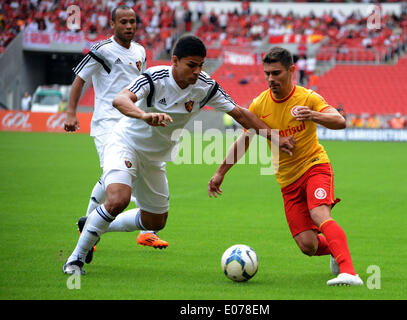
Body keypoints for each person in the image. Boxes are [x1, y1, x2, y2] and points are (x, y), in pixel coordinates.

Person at [62, 35, 295, 275]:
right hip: (124, 144)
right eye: (191, 65)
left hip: (154, 160)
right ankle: (75, 260)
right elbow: (120, 99)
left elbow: (242, 115)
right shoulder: (155, 77)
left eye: (201, 65)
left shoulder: (205, 87)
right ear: (175, 61)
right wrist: (144, 116)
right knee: (118, 199)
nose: (197, 71)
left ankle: (93, 225)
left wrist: (276, 138)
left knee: (155, 222)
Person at [207, 47, 363, 286]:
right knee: (307, 245)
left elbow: (340, 121)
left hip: (314, 166)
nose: (271, 79)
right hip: (287, 182)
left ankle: (350, 273)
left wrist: (312, 115)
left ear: (291, 71)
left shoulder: (307, 97)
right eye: (267, 73)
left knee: (319, 213)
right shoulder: (259, 104)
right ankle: (334, 248)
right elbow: (243, 141)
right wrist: (220, 172)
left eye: (276, 73)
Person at [64, 5, 169, 252]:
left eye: (132, 21)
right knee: (122, 178)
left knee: (118, 176)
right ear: (112, 24)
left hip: (131, 122)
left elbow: (142, 86)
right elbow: (80, 80)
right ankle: (143, 231)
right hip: (107, 124)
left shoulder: (141, 51)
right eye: (123, 22)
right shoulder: (101, 50)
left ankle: (89, 224)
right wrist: (71, 113)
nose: (129, 26)